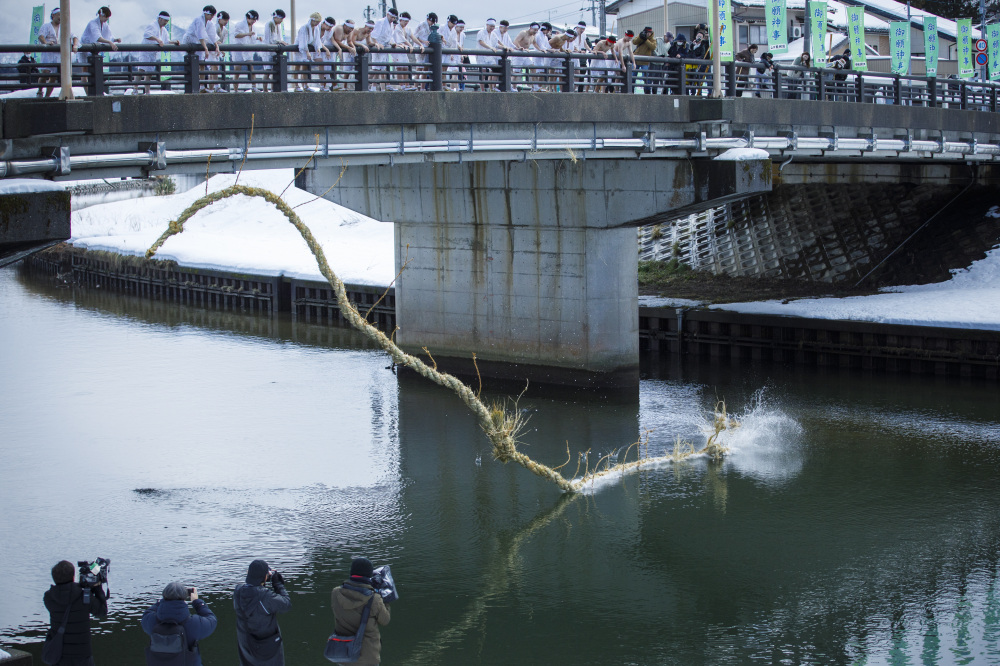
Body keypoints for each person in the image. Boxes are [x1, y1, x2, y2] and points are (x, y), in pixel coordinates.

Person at [43, 560, 108, 666]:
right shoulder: (84, 596)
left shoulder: (49, 598)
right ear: (73, 577)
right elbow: (102, 611)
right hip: (82, 655)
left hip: (59, 655)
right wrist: (97, 588)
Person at [141, 582, 218, 666]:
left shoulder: (151, 621)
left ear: (164, 596)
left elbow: (147, 612)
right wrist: (197, 602)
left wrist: (160, 602)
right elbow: (212, 620)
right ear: (184, 598)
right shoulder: (194, 623)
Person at [331, 558, 391, 666]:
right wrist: (384, 599)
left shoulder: (336, 593)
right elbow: (385, 620)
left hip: (343, 653)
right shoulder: (374, 599)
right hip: (368, 657)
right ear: (369, 576)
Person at [233, 559, 291, 666]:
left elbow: (253, 596)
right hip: (267, 648)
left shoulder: (238, 592)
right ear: (265, 577)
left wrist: (262, 582)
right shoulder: (266, 597)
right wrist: (277, 584)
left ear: (248, 573)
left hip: (246, 646)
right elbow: (286, 604)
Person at [36, 7, 78, 97]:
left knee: (53, 76)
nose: (60, 17)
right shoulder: (46, 26)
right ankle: (40, 91)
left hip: (58, 55)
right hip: (48, 53)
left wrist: (75, 45)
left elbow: (74, 36)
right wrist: (46, 43)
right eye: (58, 15)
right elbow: (41, 36)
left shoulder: (64, 27)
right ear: (53, 15)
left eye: (62, 15)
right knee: (45, 72)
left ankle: (47, 96)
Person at [134, 11, 178, 94]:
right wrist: (157, 39)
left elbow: (166, 41)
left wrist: (174, 42)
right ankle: (135, 89)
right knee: (141, 70)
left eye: (167, 21)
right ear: (160, 18)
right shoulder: (152, 25)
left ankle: (147, 92)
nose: (165, 22)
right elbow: (146, 34)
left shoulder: (163, 30)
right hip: (146, 51)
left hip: (153, 53)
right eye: (164, 20)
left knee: (149, 73)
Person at [182, 5, 217, 91]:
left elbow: (212, 35)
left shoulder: (209, 22)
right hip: (191, 41)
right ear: (206, 14)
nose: (212, 17)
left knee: (202, 64)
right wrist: (206, 48)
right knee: (194, 64)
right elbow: (200, 35)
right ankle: (194, 86)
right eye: (211, 15)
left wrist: (217, 46)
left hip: (199, 42)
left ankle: (201, 86)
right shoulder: (199, 20)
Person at [232, 10, 262, 92]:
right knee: (237, 71)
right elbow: (236, 35)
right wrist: (247, 34)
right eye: (252, 20)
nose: (253, 22)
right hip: (238, 49)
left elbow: (252, 36)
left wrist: (257, 37)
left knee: (251, 68)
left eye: (255, 20)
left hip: (247, 49)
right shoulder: (239, 24)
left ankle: (254, 86)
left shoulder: (254, 27)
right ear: (247, 18)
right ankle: (235, 89)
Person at [261, 9, 288, 91]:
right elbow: (269, 39)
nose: (281, 21)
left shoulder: (278, 25)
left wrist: (281, 42)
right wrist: (280, 41)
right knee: (267, 71)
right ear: (276, 17)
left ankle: (273, 89)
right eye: (281, 19)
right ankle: (265, 90)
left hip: (275, 51)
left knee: (275, 71)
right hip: (268, 51)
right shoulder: (269, 24)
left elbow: (279, 38)